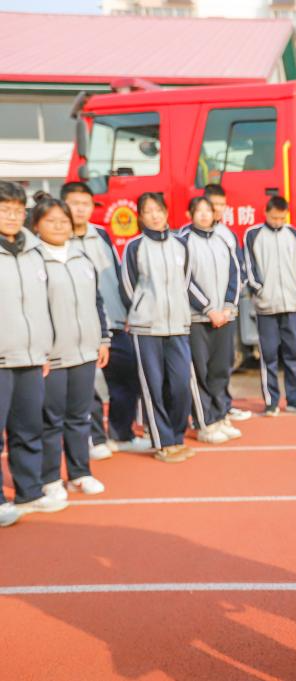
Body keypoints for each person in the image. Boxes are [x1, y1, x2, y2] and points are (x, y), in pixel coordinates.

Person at [62, 181, 149, 458]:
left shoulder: (100, 234)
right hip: (79, 326)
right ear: (63, 205)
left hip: (113, 320)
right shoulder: (57, 239)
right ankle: (94, 439)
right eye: (75, 203)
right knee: (89, 385)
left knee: (126, 377)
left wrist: (126, 311)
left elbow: (116, 275)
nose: (81, 209)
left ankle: (120, 434)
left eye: (86, 204)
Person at [32, 193, 110, 499]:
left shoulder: (81, 256)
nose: (58, 226)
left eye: (63, 221)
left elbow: (97, 300)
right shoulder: (34, 259)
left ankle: (80, 473)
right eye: (50, 221)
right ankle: (50, 478)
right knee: (51, 420)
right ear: (36, 225)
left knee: (81, 417)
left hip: (85, 351)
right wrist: (40, 350)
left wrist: (103, 339)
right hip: (53, 355)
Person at [0, 181, 66, 527]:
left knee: (28, 428)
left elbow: (42, 305)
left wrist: (43, 349)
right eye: (4, 209)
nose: (11, 216)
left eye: (16, 210)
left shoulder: (33, 251)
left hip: (30, 357)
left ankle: (29, 491)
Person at [121, 192, 198, 463]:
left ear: (166, 212)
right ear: (141, 217)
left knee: (180, 385)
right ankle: (163, 441)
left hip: (178, 325)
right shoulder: (134, 247)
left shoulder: (181, 245)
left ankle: (176, 435)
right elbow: (129, 287)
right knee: (153, 386)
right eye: (148, 211)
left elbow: (185, 282)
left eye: (158, 210)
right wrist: (142, 311)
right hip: (147, 328)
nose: (154, 215)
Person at [180, 196, 242, 443]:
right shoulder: (183, 240)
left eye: (208, 210)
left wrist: (227, 307)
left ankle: (219, 415)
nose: (205, 214)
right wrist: (208, 309)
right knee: (201, 372)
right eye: (199, 210)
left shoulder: (222, 239)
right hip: (198, 318)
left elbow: (235, 273)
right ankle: (205, 423)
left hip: (223, 317)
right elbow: (185, 280)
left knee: (220, 369)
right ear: (190, 214)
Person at [244, 196, 296, 416]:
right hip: (266, 307)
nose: (278, 221)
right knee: (269, 355)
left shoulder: (294, 235)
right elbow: (249, 266)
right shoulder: (253, 235)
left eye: (282, 218)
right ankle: (271, 401)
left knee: (293, 353)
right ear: (266, 212)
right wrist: (259, 289)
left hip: (292, 305)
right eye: (274, 217)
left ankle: (295, 399)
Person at [204, 183, 251, 422]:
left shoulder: (227, 234)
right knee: (206, 366)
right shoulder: (188, 236)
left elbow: (238, 269)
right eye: (214, 205)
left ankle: (224, 406)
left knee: (224, 362)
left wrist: (228, 305)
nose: (218, 210)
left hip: (227, 311)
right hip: (204, 314)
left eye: (222, 205)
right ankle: (209, 412)